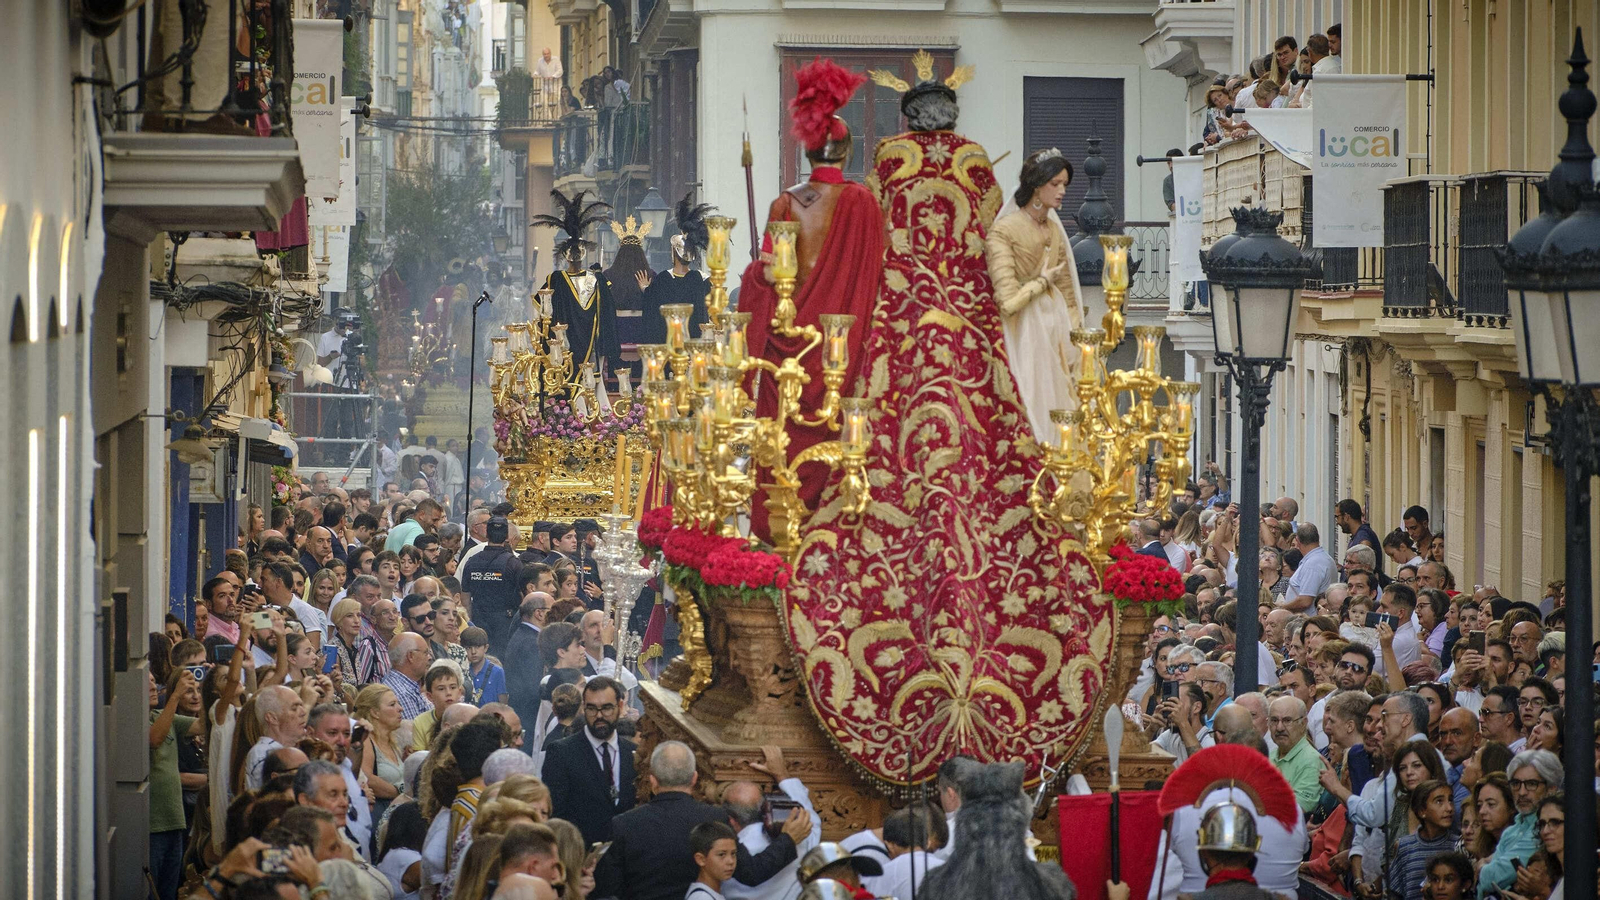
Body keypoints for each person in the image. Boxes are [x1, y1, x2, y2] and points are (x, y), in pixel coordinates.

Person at [738, 56, 882, 543]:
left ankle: (780, 536)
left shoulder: (785, 203)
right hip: (845, 350)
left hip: (789, 351)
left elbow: (765, 276)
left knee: (780, 445)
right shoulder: (864, 204)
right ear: (846, 152)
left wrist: (750, 278)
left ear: (809, 151)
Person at [593, 741, 805, 900]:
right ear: (694, 779)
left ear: (653, 781)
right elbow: (752, 872)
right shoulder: (714, 818)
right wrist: (787, 839)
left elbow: (608, 889)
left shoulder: (623, 825)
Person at [985, 147, 1086, 441]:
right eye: (1055, 184)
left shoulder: (1054, 231)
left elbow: (1068, 293)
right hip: (1024, 332)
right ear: (1036, 185)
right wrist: (1041, 283)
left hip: (1057, 332)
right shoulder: (1005, 230)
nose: (1062, 191)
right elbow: (1007, 301)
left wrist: (1079, 344)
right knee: (1033, 401)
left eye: (1065, 184)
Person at [533, 189, 621, 378]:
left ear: (565, 255)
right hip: (588, 349)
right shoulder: (597, 279)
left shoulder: (555, 280)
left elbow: (543, 313)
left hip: (562, 348)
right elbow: (607, 315)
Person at [541, 676, 636, 843]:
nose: (599, 716)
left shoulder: (633, 753)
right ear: (583, 708)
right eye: (592, 709)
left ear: (620, 706)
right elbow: (555, 816)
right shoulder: (561, 753)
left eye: (607, 708)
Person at [722, 745, 823, 900]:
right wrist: (782, 775)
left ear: (731, 821)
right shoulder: (800, 838)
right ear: (766, 805)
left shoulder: (724, 855)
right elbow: (811, 821)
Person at [1479, 750, 1562, 897]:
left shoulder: (1544, 829)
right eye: (1516, 784)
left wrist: (1482, 867)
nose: (1522, 792)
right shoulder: (1511, 830)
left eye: (1531, 784)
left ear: (1551, 788)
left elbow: (1491, 878)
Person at [462, 516, 524, 657]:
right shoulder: (513, 563)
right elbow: (524, 596)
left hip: (479, 621)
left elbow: (465, 599)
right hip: (505, 624)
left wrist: (470, 624)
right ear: (507, 537)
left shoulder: (472, 561)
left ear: (487, 534)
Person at [1386, 780, 1457, 900]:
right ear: (1422, 811)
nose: (1449, 808)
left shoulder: (1458, 845)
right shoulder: (1405, 846)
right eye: (1439, 801)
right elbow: (1394, 893)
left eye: (1450, 800)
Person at [1267, 696, 1320, 811]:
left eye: (1287, 721)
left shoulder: (1311, 761)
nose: (1279, 728)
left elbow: (1297, 809)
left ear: (1303, 723)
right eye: (1274, 720)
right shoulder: (1269, 757)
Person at [688, 821, 740, 900]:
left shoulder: (713, 892)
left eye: (733, 853)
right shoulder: (702, 897)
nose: (731, 861)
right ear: (701, 859)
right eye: (721, 854)